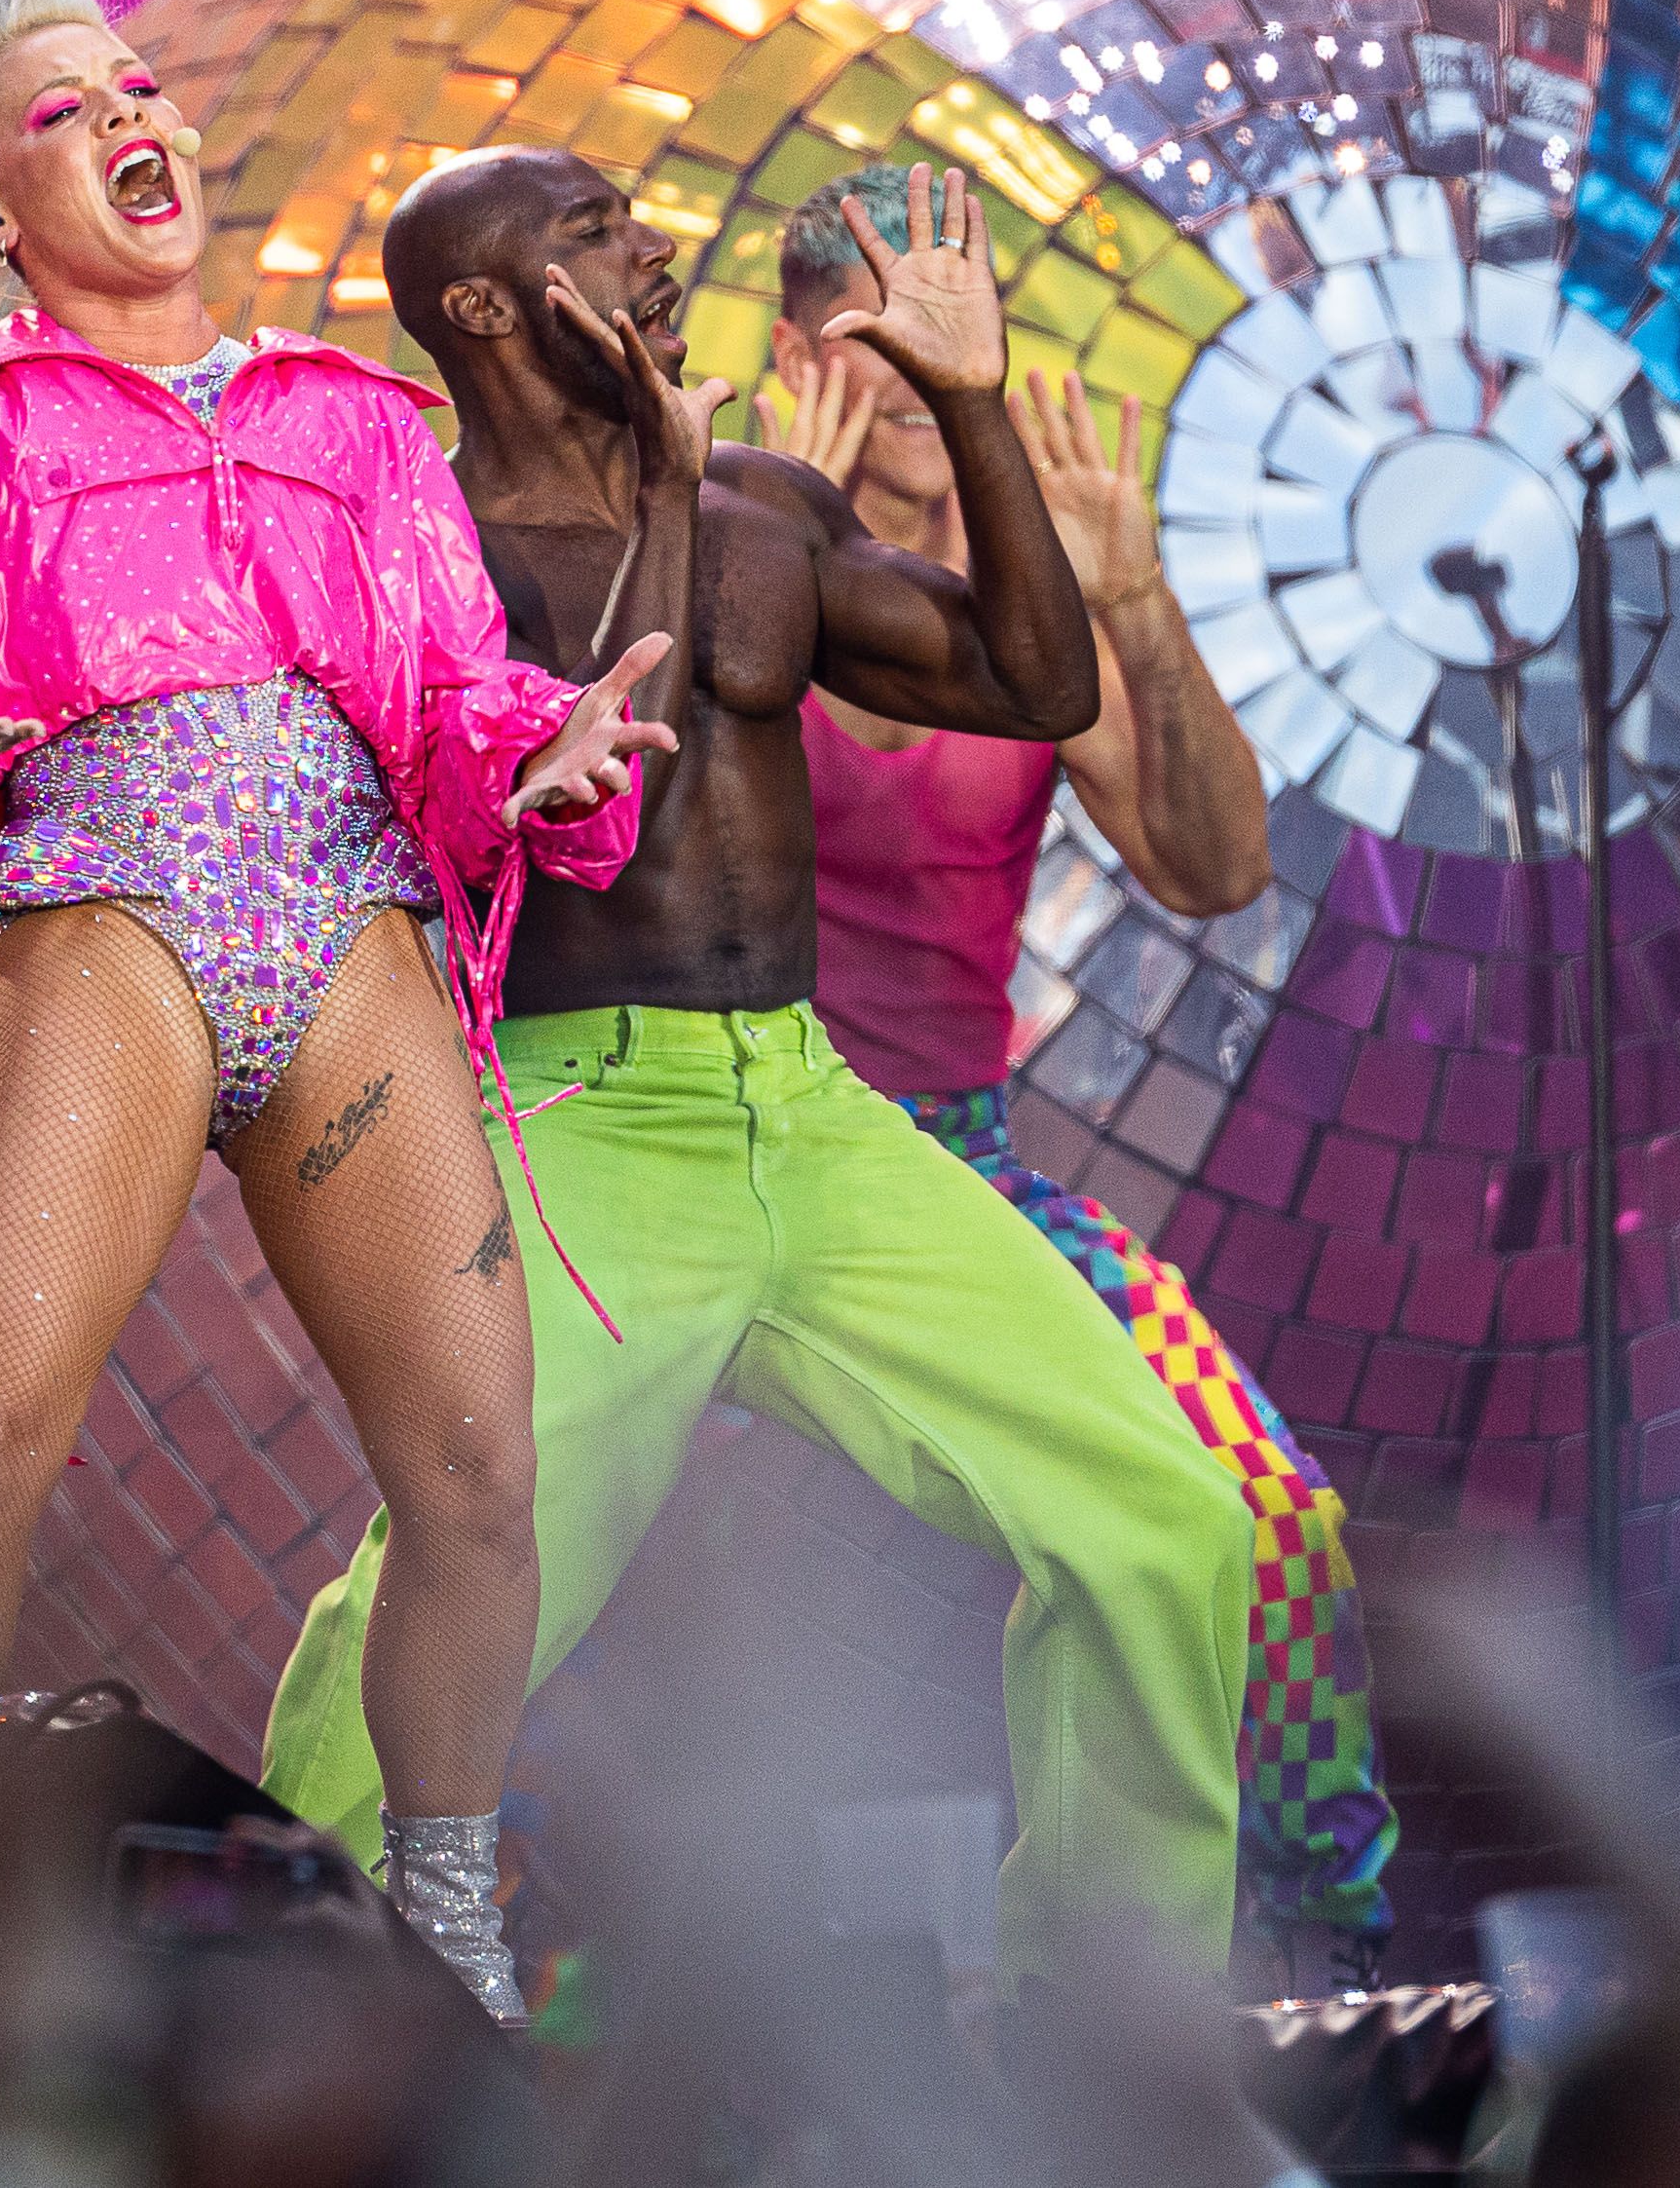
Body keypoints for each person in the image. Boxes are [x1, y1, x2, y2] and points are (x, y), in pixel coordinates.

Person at [0, 0, 677, 2018]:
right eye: (55, 111)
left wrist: (532, 749)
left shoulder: (353, 423)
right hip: (108, 898)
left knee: (473, 1471)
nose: (123, 116)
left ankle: (446, 1915)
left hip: (341, 918)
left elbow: (447, 692)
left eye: (138, 85)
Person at [259, 150, 1257, 1985]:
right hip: (578, 1132)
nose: (651, 245)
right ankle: (249, 2004)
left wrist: (970, 409)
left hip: (810, 1115)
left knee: (1167, 1522)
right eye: (591, 231)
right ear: (481, 307)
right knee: (452, 1570)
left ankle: (1110, 2033)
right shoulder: (421, 541)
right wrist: (661, 481)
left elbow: (1036, 687)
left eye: (637, 218)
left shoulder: (771, 510)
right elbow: (597, 788)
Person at [767, 161, 1396, 1978]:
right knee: (533, 1517)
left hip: (955, 1160)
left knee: (1264, 1511)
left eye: (954, 324)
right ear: (810, 345)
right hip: (722, 1132)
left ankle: (1310, 1947)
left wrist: (1134, 608)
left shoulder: (1030, 591)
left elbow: (1214, 869)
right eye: (885, 329)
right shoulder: (725, 532)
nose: (919, 366)